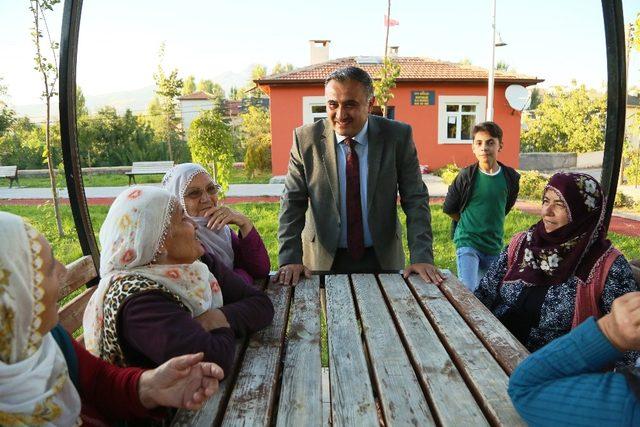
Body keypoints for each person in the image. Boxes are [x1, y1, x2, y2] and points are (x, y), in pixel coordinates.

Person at [0, 211, 224, 426]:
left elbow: (98, 380)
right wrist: (222, 321)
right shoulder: (140, 299)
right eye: (48, 268)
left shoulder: (49, 337)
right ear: (11, 296)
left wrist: (149, 386)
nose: (62, 270)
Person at [275, 66, 442, 286]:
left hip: (381, 257)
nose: (341, 115)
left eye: (350, 104)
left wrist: (422, 257)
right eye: (333, 105)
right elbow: (292, 202)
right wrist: (289, 258)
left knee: (385, 319)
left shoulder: (397, 137)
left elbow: (415, 199)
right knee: (335, 319)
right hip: (323, 258)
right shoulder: (306, 139)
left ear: (370, 104)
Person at [83, 186, 274, 373]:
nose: (195, 225)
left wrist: (214, 318)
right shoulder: (139, 302)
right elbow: (214, 360)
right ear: (159, 241)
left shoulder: (196, 265)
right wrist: (227, 321)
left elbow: (261, 304)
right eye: (183, 219)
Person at [474, 172, 639, 357]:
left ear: (583, 211)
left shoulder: (607, 266)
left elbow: (628, 344)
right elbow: (484, 293)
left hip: (554, 371)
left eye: (560, 204)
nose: (546, 211)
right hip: (491, 347)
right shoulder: (523, 243)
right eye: (545, 201)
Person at [508, 292, 640, 426]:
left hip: (561, 369)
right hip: (540, 356)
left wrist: (610, 331)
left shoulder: (629, 405)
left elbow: (525, 387)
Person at [162, 163, 270, 285]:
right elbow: (225, 288)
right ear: (176, 199)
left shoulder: (220, 227)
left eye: (211, 189)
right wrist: (243, 273)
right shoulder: (181, 240)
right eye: (194, 193)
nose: (206, 199)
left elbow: (260, 270)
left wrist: (244, 223)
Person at [443, 121, 520, 292]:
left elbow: (505, 207)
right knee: (469, 291)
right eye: (479, 143)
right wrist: (468, 223)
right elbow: (449, 207)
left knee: (489, 294)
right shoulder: (466, 176)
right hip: (468, 241)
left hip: (494, 246)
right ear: (473, 147)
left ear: (500, 145)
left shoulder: (510, 178)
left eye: (490, 142)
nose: (484, 147)